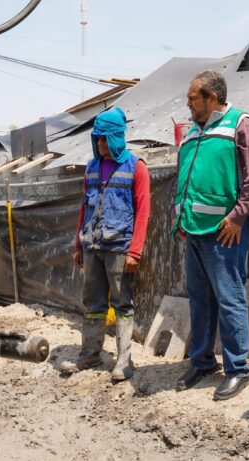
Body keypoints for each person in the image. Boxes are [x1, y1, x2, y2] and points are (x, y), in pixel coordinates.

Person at [172, 70, 249, 400]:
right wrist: (180, 219)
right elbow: (184, 179)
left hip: (226, 232)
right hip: (194, 232)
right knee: (200, 299)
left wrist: (238, 216)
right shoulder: (191, 132)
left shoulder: (240, 124)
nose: (188, 103)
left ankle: (238, 368)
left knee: (230, 299)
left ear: (213, 97)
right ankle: (201, 361)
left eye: (192, 97)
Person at [61, 107, 151, 382]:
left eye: (103, 138)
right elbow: (83, 208)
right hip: (92, 247)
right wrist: (79, 243)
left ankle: (124, 361)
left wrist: (135, 250)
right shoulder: (91, 167)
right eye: (96, 138)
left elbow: (144, 211)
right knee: (93, 303)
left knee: (123, 304)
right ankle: (89, 355)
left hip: (119, 248)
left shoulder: (136, 168)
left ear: (115, 137)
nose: (99, 143)